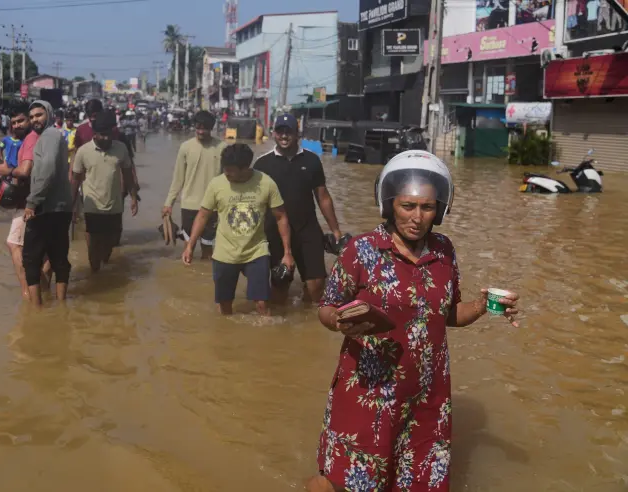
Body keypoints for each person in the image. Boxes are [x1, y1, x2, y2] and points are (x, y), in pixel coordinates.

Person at [306, 151, 521, 492]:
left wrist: (485, 306)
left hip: (427, 397)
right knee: (345, 481)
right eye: (408, 206)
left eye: (427, 207)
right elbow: (326, 306)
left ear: (440, 210)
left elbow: (448, 313)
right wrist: (338, 321)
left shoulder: (443, 251)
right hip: (368, 393)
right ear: (389, 203)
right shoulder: (361, 251)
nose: (417, 217)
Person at [183, 143, 294, 316]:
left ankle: (267, 339)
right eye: (224, 168)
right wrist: (190, 245)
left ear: (245, 168)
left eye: (230, 170)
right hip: (224, 253)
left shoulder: (266, 183)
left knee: (262, 304)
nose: (226, 173)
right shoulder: (216, 184)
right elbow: (203, 215)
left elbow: (281, 217)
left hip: (256, 252)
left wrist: (287, 252)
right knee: (225, 306)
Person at [254, 113, 343, 304]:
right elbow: (255, 203)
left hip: (307, 229)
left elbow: (323, 197)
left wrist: (336, 230)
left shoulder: (311, 161)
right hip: (275, 231)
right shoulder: (262, 164)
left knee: (316, 286)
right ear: (273, 133)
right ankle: (282, 328)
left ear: (297, 134)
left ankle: (305, 316)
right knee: (280, 286)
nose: (284, 136)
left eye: (289, 132)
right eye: (280, 131)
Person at [71, 111, 138, 272]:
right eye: (102, 135)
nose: (106, 138)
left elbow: (128, 174)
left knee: (109, 246)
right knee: (94, 247)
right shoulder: (83, 152)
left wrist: (134, 198)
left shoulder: (121, 149)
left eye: (108, 134)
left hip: (114, 206)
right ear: (95, 134)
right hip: (91, 205)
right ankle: (95, 277)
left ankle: (103, 267)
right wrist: (72, 206)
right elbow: (75, 180)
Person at [22, 100, 74, 307]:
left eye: (39, 115)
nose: (35, 120)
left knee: (31, 260)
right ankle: (61, 308)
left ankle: (37, 309)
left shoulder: (50, 135)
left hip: (47, 208)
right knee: (58, 257)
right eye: (32, 116)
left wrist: (32, 201)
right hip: (59, 208)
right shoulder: (51, 136)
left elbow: (49, 168)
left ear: (49, 114)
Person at [0, 103, 51, 299]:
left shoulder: (30, 140)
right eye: (14, 123)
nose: (17, 125)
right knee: (45, 250)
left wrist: (7, 171)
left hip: (29, 202)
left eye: (21, 120)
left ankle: (28, 291)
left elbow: (26, 170)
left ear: (29, 120)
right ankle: (44, 291)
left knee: (14, 245)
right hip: (46, 200)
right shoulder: (45, 137)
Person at [163, 110, 226, 260]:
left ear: (211, 128)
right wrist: (168, 203)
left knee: (207, 248)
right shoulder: (185, 147)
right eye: (198, 127)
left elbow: (228, 178)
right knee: (188, 246)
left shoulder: (222, 147)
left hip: (213, 206)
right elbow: (178, 178)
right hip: (189, 205)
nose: (201, 131)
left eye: (205, 128)